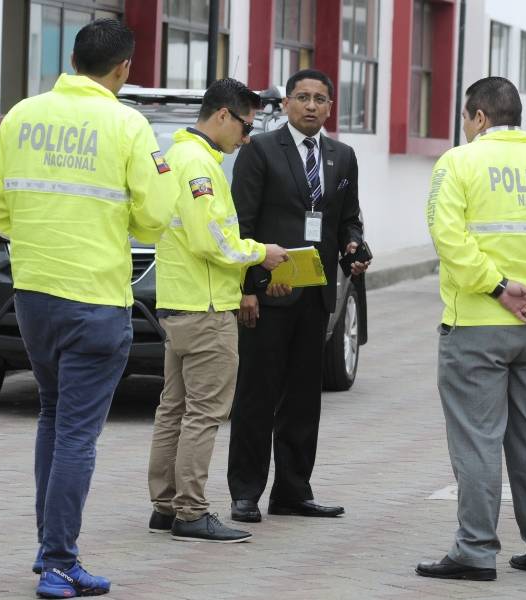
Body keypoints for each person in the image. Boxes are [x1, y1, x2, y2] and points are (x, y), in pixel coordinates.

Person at [0, 19, 175, 599]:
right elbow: (155, 216)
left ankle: (52, 553)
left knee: (52, 414)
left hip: (35, 295)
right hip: (94, 299)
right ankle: (58, 561)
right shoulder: (126, 123)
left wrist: (41, 243)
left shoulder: (21, 115)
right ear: (124, 69)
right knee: (75, 435)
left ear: (72, 58)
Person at [415, 77, 526, 582]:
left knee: (477, 440)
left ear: (477, 118)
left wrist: (498, 288)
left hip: (476, 325)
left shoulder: (459, 161)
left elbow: (447, 237)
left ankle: (475, 551)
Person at [146, 79, 288, 543]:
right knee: (203, 413)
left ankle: (165, 506)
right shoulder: (198, 165)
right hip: (206, 307)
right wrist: (258, 252)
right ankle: (191, 510)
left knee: (174, 409)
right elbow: (214, 240)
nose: (246, 139)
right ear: (223, 116)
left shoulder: (176, 155)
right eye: (245, 127)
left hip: (179, 303)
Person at [226, 69, 367, 523]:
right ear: (286, 104)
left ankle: (292, 490)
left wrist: (352, 246)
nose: (311, 106)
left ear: (330, 107)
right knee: (256, 396)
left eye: (319, 99)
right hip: (268, 295)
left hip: (315, 296)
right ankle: (245, 492)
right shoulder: (260, 151)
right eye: (302, 97)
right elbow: (241, 225)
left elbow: (347, 218)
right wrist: (248, 287)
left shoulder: (342, 156)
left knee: (304, 400)